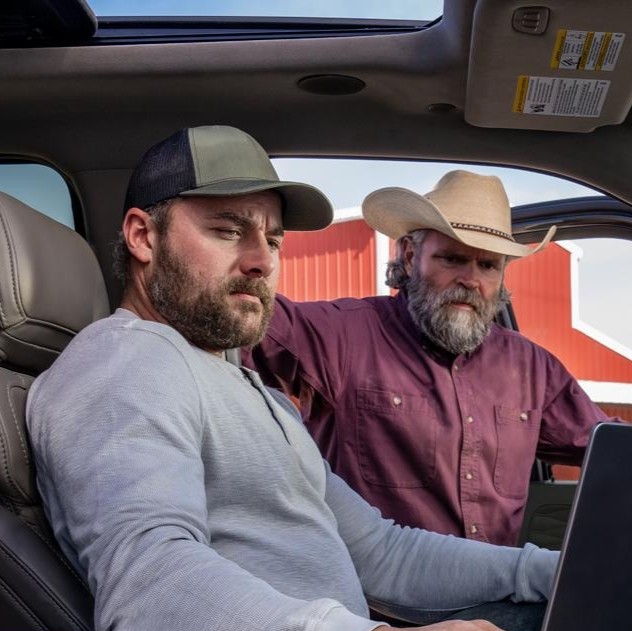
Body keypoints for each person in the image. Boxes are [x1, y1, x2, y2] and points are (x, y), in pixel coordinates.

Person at [27, 125, 559, 631]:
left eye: (273, 240)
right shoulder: (126, 361)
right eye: (228, 231)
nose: (260, 261)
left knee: (585, 618)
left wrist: (548, 570)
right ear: (142, 237)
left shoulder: (253, 390)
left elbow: (383, 553)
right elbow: (149, 584)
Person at [246, 170, 611, 548]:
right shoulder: (342, 335)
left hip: (497, 594)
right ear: (408, 255)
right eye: (452, 259)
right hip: (377, 601)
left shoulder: (533, 369)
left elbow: (615, 450)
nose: (470, 280)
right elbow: (239, 321)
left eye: (488, 266)